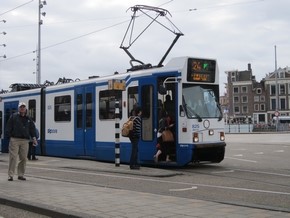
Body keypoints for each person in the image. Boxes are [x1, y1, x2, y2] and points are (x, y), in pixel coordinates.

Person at [5, 102, 38, 181]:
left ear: (26, 109)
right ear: (18, 108)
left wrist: (34, 138)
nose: (22, 108)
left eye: (23, 107)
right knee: (13, 157)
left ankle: (21, 174)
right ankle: (10, 175)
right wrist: (9, 137)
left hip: (25, 140)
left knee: (23, 158)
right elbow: (8, 127)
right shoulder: (13, 117)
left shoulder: (28, 118)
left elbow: (32, 129)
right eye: (21, 107)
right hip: (14, 139)